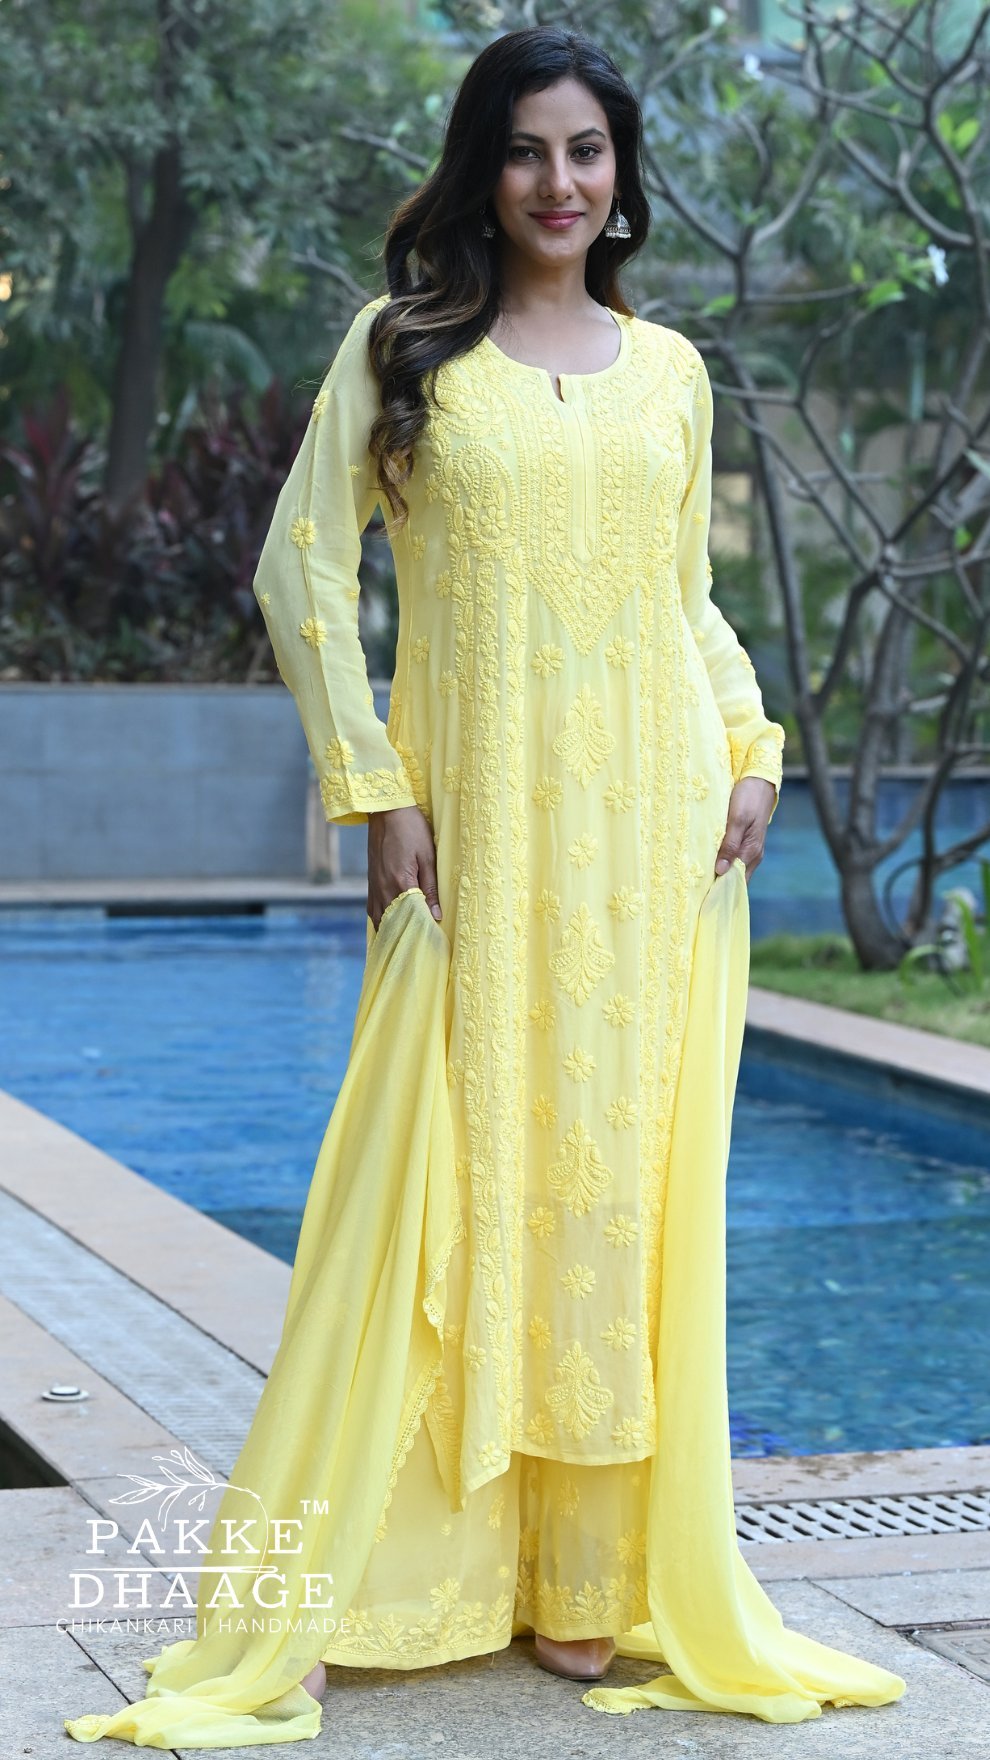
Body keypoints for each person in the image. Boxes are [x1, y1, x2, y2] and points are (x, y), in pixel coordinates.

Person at [65, 24, 907, 1748]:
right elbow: (301, 571)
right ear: (482, 168)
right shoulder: (406, 352)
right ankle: (362, 1579)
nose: (557, 181)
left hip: (654, 845)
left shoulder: (671, 373)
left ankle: (585, 1579)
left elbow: (685, 604)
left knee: (610, 1196)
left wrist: (750, 750)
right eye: (526, 149)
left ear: (621, 176)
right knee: (432, 1182)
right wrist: (373, 785)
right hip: (480, 837)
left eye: (586, 151)